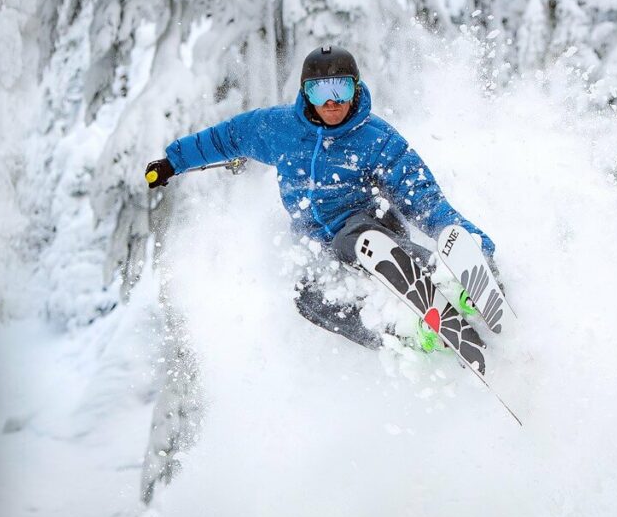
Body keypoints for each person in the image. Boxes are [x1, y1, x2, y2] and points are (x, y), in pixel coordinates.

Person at [146, 46, 495, 349]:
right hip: (321, 245)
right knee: (309, 297)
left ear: (355, 90)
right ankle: (402, 336)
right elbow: (226, 138)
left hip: (372, 229)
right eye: (319, 91)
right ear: (305, 94)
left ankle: (447, 280)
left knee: (354, 240)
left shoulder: (375, 138)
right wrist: (173, 162)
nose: (332, 102)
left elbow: (422, 197)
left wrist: (471, 250)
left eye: (341, 89)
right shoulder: (278, 128)